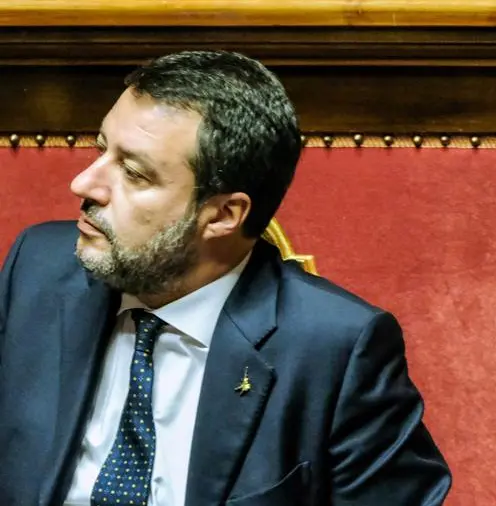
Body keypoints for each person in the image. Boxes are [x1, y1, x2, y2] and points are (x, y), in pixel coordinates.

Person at [0, 50, 451, 506]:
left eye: (134, 173)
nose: (84, 184)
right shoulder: (37, 269)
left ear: (222, 215)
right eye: (102, 151)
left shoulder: (336, 350)